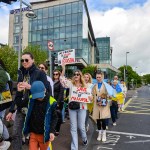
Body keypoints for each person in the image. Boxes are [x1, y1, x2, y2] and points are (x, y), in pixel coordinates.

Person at [6, 52, 51, 150]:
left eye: (26, 60)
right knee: (15, 134)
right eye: (22, 60)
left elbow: (45, 91)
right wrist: (11, 110)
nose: (24, 62)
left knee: (34, 135)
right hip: (21, 108)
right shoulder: (21, 73)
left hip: (34, 108)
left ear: (33, 60)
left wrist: (30, 87)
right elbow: (18, 94)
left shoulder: (40, 73)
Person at [60, 65, 93, 150]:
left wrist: (91, 98)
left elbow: (90, 97)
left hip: (82, 107)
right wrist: (63, 68)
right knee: (73, 127)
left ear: (80, 76)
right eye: (74, 74)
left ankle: (84, 139)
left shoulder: (86, 86)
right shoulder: (71, 84)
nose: (76, 75)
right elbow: (62, 80)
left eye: (78, 74)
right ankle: (74, 147)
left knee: (81, 127)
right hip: (72, 108)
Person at [23, 81, 57, 150]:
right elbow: (21, 103)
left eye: (40, 96)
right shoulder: (31, 99)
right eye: (37, 96)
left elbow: (54, 118)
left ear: (45, 89)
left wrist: (52, 131)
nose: (39, 98)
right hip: (33, 133)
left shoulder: (52, 102)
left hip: (44, 135)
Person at [92, 71, 111, 142]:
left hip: (104, 104)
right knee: (98, 120)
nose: (98, 78)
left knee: (103, 120)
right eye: (97, 77)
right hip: (96, 104)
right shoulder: (94, 85)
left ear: (102, 77)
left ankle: (104, 134)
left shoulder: (106, 85)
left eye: (99, 77)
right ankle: (99, 133)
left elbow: (109, 94)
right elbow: (93, 94)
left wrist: (108, 96)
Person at [0, 59, 10, 150]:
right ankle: (6, 138)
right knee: (0, 120)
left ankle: (5, 139)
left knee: (0, 120)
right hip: (4, 98)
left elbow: (2, 84)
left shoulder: (2, 72)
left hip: (3, 99)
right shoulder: (4, 72)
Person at [53, 70, 64, 136]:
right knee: (53, 115)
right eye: (54, 74)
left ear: (59, 75)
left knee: (58, 116)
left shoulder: (61, 82)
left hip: (58, 101)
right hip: (52, 101)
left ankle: (57, 129)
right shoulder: (51, 82)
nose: (55, 75)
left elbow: (61, 93)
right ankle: (53, 128)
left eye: (57, 74)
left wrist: (58, 102)